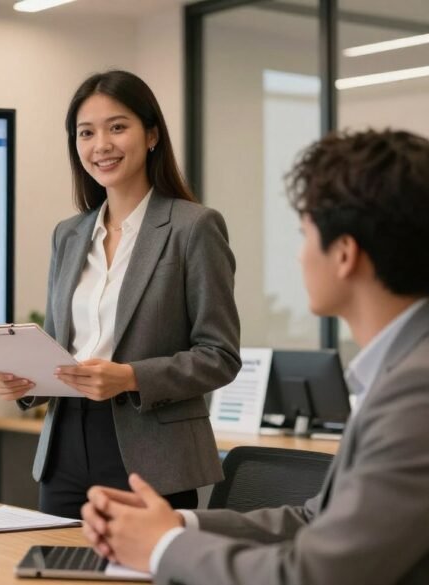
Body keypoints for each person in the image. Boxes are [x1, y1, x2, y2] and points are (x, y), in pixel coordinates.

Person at [81, 129, 429, 585]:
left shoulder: (415, 393)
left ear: (344, 255)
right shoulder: (399, 371)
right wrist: (176, 525)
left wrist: (163, 548)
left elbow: (313, 575)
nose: (300, 257)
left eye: (304, 235)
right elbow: (315, 521)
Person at [0, 70, 241, 518]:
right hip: (64, 446)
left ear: (151, 136)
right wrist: (27, 380)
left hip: (151, 453)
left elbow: (219, 355)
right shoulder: (68, 235)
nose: (101, 144)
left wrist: (129, 376)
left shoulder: (193, 228)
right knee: (57, 570)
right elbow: (57, 347)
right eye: (86, 133)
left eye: (117, 127)